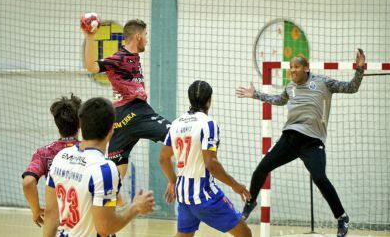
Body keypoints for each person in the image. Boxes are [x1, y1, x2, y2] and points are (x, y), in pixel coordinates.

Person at [235, 49, 366, 237]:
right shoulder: (290, 87)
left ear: (306, 68)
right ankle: (251, 202)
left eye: (296, 67)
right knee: (261, 169)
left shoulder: (323, 82)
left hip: (313, 142)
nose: (292, 71)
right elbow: (277, 100)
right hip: (289, 139)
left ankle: (342, 217)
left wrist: (359, 69)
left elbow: (352, 87)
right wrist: (256, 94)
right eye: (290, 68)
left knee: (320, 178)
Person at [43, 97, 155, 237]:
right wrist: (135, 207)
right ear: (112, 129)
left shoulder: (61, 156)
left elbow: (51, 214)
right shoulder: (104, 169)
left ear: (81, 126)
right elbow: (105, 228)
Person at [82, 17, 170, 182]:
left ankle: (108, 202)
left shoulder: (133, 56)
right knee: (178, 134)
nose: (147, 39)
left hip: (121, 118)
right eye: (145, 34)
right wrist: (89, 37)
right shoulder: (119, 58)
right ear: (138, 37)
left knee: (115, 176)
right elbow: (91, 67)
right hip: (135, 112)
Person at [159, 80, 252, 237]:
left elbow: (163, 158)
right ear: (209, 100)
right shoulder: (208, 124)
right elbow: (211, 163)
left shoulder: (176, 124)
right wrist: (235, 185)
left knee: (184, 235)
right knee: (245, 234)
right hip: (204, 194)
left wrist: (173, 182)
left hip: (183, 194)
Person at [22, 94, 81, 227]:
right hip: (84, 222)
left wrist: (36, 210)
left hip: (57, 224)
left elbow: (28, 182)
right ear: (80, 123)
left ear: (57, 123)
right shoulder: (90, 152)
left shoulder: (44, 153)